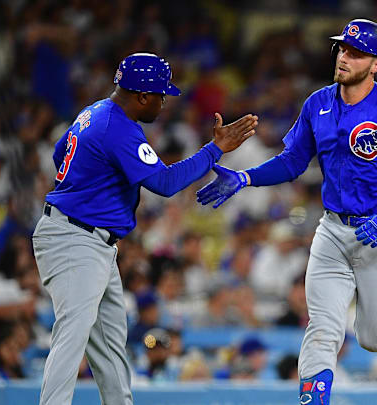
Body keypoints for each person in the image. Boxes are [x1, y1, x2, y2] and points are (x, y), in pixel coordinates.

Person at [197, 19, 377, 405]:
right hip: (332, 232)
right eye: (343, 49)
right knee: (323, 327)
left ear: (376, 64)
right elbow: (293, 161)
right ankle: (313, 400)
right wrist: (245, 178)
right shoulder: (318, 103)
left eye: (356, 53)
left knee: (372, 340)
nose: (345, 57)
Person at [31, 53, 257, 405]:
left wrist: (90, 187)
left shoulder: (96, 112)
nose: (164, 102)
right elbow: (165, 183)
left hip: (91, 240)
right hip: (74, 238)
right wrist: (215, 150)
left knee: (109, 344)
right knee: (71, 337)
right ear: (141, 96)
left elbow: (61, 154)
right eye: (160, 95)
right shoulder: (116, 127)